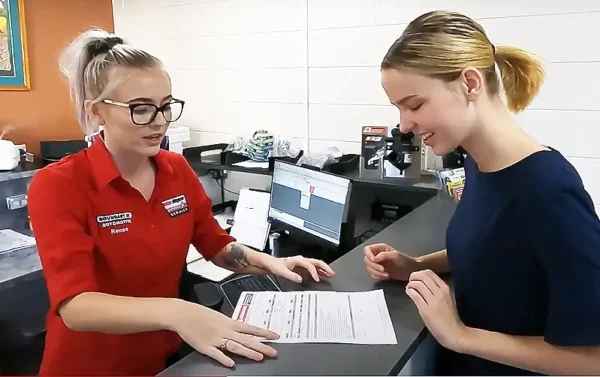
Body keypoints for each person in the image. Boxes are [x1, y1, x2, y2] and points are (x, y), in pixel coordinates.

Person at [27, 29, 335, 376]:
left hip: (164, 357)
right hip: (91, 365)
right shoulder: (59, 185)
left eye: (166, 106)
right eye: (140, 109)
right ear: (97, 112)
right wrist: (180, 312)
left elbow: (216, 245)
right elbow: (76, 306)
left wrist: (273, 263)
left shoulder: (175, 169)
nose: (159, 121)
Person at [363, 10, 600, 376]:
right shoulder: (479, 163)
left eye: (415, 105)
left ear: (470, 83)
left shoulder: (547, 190)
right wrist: (417, 265)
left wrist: (460, 336)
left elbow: (592, 360)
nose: (405, 125)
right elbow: (498, 250)